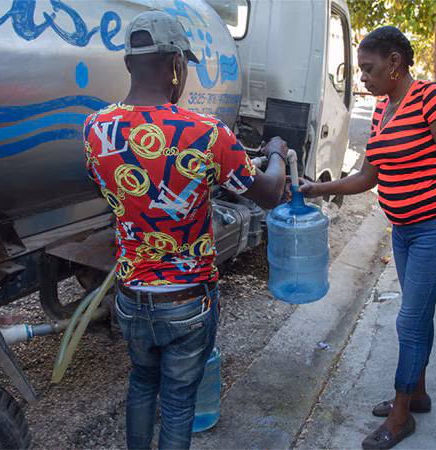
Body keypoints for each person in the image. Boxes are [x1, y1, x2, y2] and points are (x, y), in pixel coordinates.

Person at [83, 10, 289, 450]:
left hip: (131, 297)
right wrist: (278, 152)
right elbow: (269, 194)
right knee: (177, 404)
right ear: (178, 65)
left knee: (141, 384)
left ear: (128, 64)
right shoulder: (207, 134)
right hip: (186, 302)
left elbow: (120, 190)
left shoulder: (95, 129)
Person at [298, 26, 436, 449]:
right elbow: (371, 175)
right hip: (404, 230)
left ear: (395, 63)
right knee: (419, 313)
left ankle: (400, 414)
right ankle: (419, 394)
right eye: (360, 72)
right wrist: (321, 188)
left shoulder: (432, 99)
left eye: (369, 69)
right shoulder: (381, 108)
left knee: (409, 319)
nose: (363, 79)